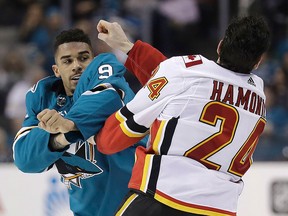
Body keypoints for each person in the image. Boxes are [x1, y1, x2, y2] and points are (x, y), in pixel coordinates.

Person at [38, 16, 270, 215]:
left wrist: (84, 131)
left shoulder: (184, 71)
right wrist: (129, 47)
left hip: (162, 197)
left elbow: (114, 137)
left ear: (220, 46)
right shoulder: (259, 96)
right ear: (259, 62)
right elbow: (180, 80)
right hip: (220, 207)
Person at [12, 28, 147, 216]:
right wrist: (59, 139)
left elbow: (107, 97)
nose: (76, 65)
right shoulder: (44, 98)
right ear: (56, 70)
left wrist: (68, 124)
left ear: (93, 61)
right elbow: (24, 159)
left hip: (135, 204)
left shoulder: (107, 70)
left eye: (83, 58)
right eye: (67, 61)